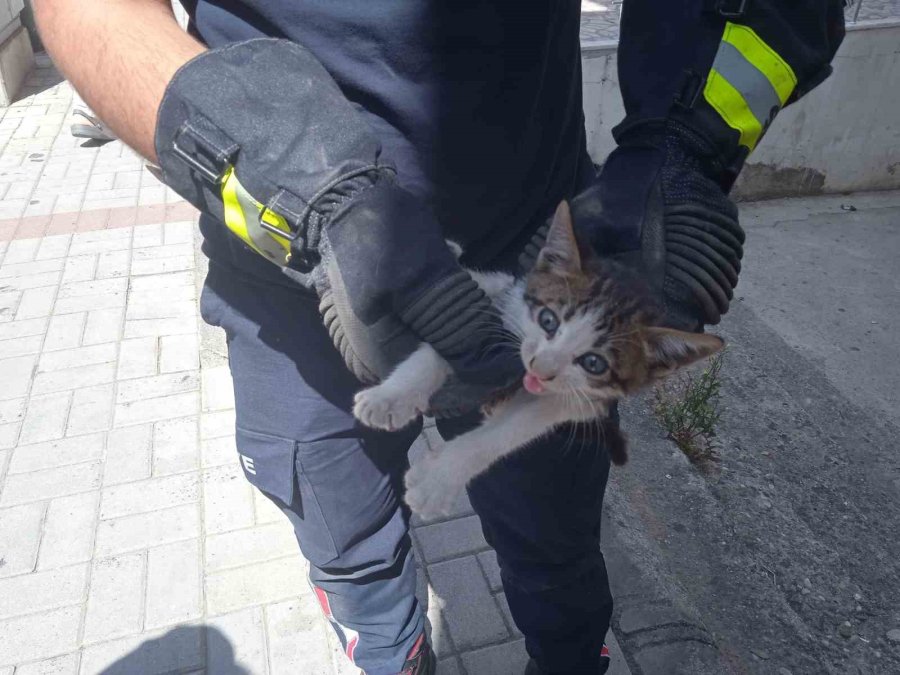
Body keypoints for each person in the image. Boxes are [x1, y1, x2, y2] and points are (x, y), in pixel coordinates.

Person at [35, 1, 844, 673]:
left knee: (557, 554)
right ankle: (396, 657)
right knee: (349, 545)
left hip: (540, 244)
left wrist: (689, 138)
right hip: (292, 270)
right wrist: (313, 199)